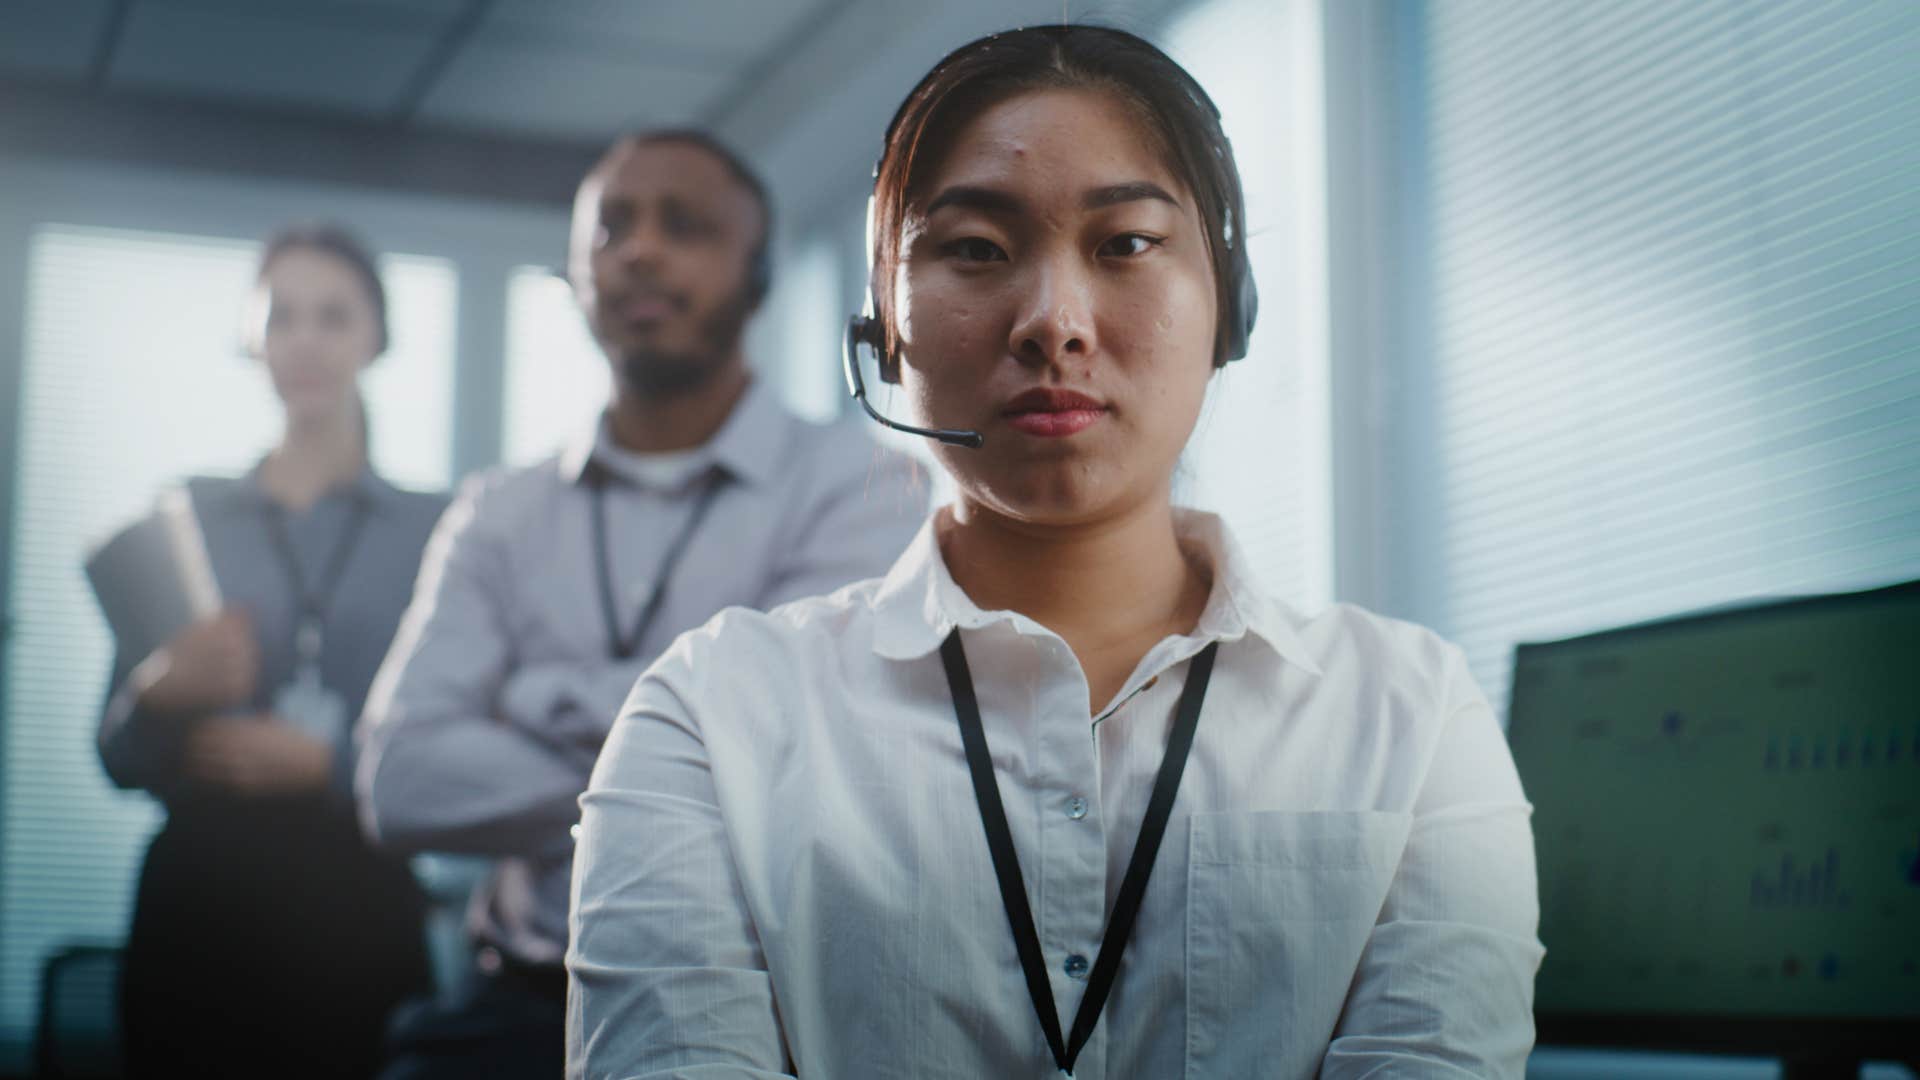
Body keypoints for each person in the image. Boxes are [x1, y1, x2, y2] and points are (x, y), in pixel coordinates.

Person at [569, 25, 1544, 1080]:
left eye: (1125, 243)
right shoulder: (713, 715)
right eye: (977, 251)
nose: (1054, 323)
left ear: (1231, 307)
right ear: (882, 331)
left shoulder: (1407, 711)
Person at [356, 129, 925, 1078]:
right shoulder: (499, 510)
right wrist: (683, 766)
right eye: (611, 227)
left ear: (757, 272)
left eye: (686, 226)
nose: (641, 250)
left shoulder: (862, 483)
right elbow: (402, 777)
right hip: (520, 1003)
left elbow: (795, 758)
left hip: (774, 1021)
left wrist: (536, 699)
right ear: (577, 273)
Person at [90, 224, 442, 1079]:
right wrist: (159, 692)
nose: (306, 341)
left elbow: (450, 746)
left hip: (357, 908)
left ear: (376, 337)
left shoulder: (438, 531)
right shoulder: (186, 521)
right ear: (252, 339)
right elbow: (117, 754)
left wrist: (329, 767)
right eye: (281, 317)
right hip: (199, 906)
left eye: (333, 316)